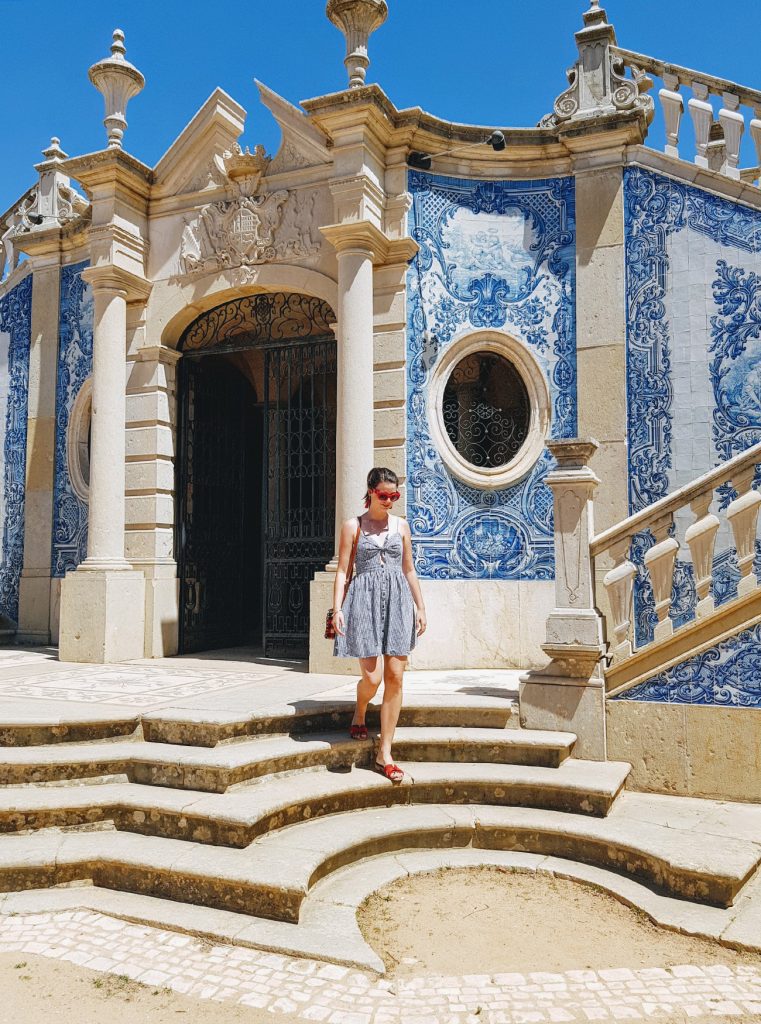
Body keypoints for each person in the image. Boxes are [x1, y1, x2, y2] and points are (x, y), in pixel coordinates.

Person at [332, 467, 427, 783]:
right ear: (371, 491)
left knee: (396, 676)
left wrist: (420, 606)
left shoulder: (401, 525)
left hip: (398, 600)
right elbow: (343, 571)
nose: (389, 501)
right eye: (384, 495)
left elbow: (409, 569)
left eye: (394, 496)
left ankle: (384, 752)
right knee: (372, 678)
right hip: (364, 601)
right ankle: (360, 710)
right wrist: (337, 609)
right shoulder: (353, 526)